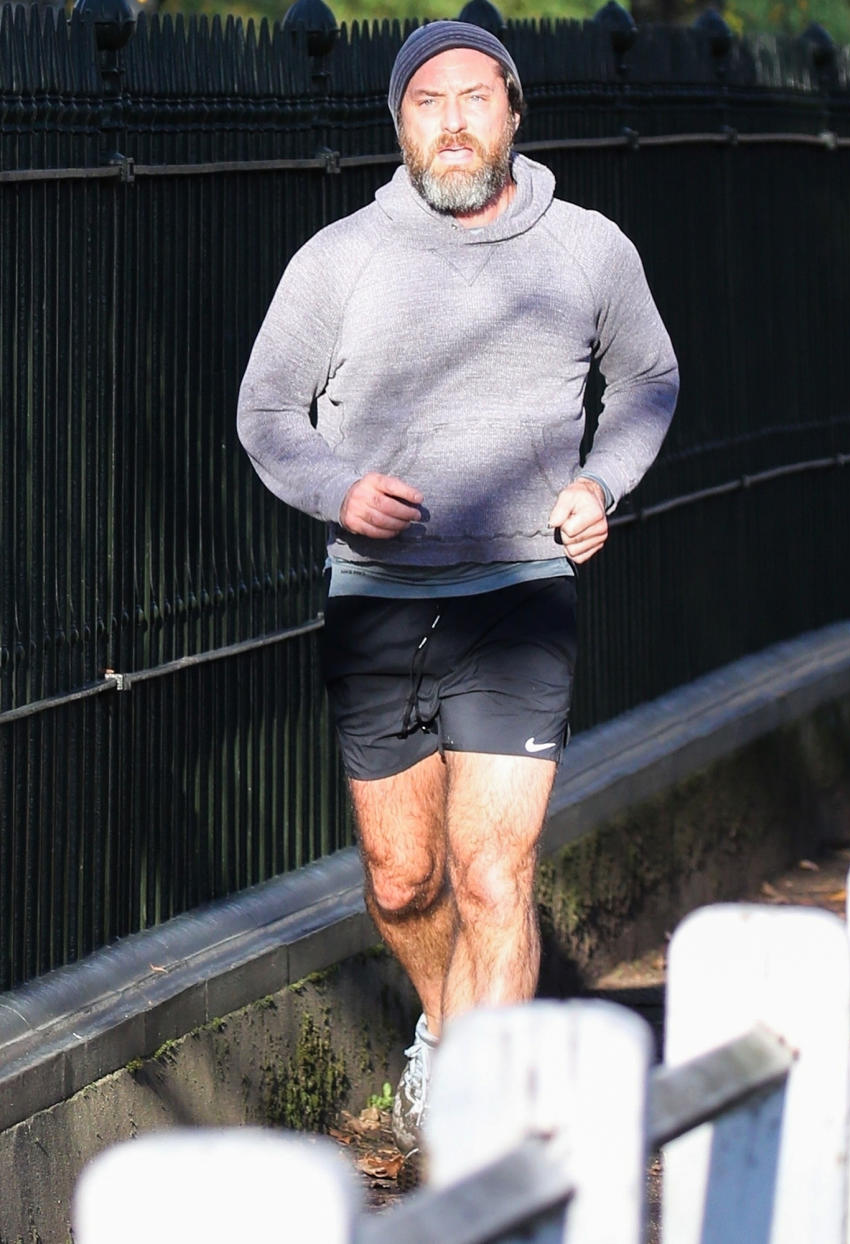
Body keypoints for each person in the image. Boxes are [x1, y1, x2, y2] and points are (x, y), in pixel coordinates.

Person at [237, 19, 678, 1159]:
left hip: (522, 592)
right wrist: (340, 490)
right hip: (378, 597)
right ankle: (447, 1029)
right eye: (426, 102)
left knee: (495, 870)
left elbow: (647, 377)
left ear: (513, 111)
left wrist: (601, 482)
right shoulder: (341, 259)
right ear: (399, 123)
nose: (451, 122)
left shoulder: (589, 249)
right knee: (402, 878)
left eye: (473, 97)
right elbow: (267, 412)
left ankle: (485, 1126)